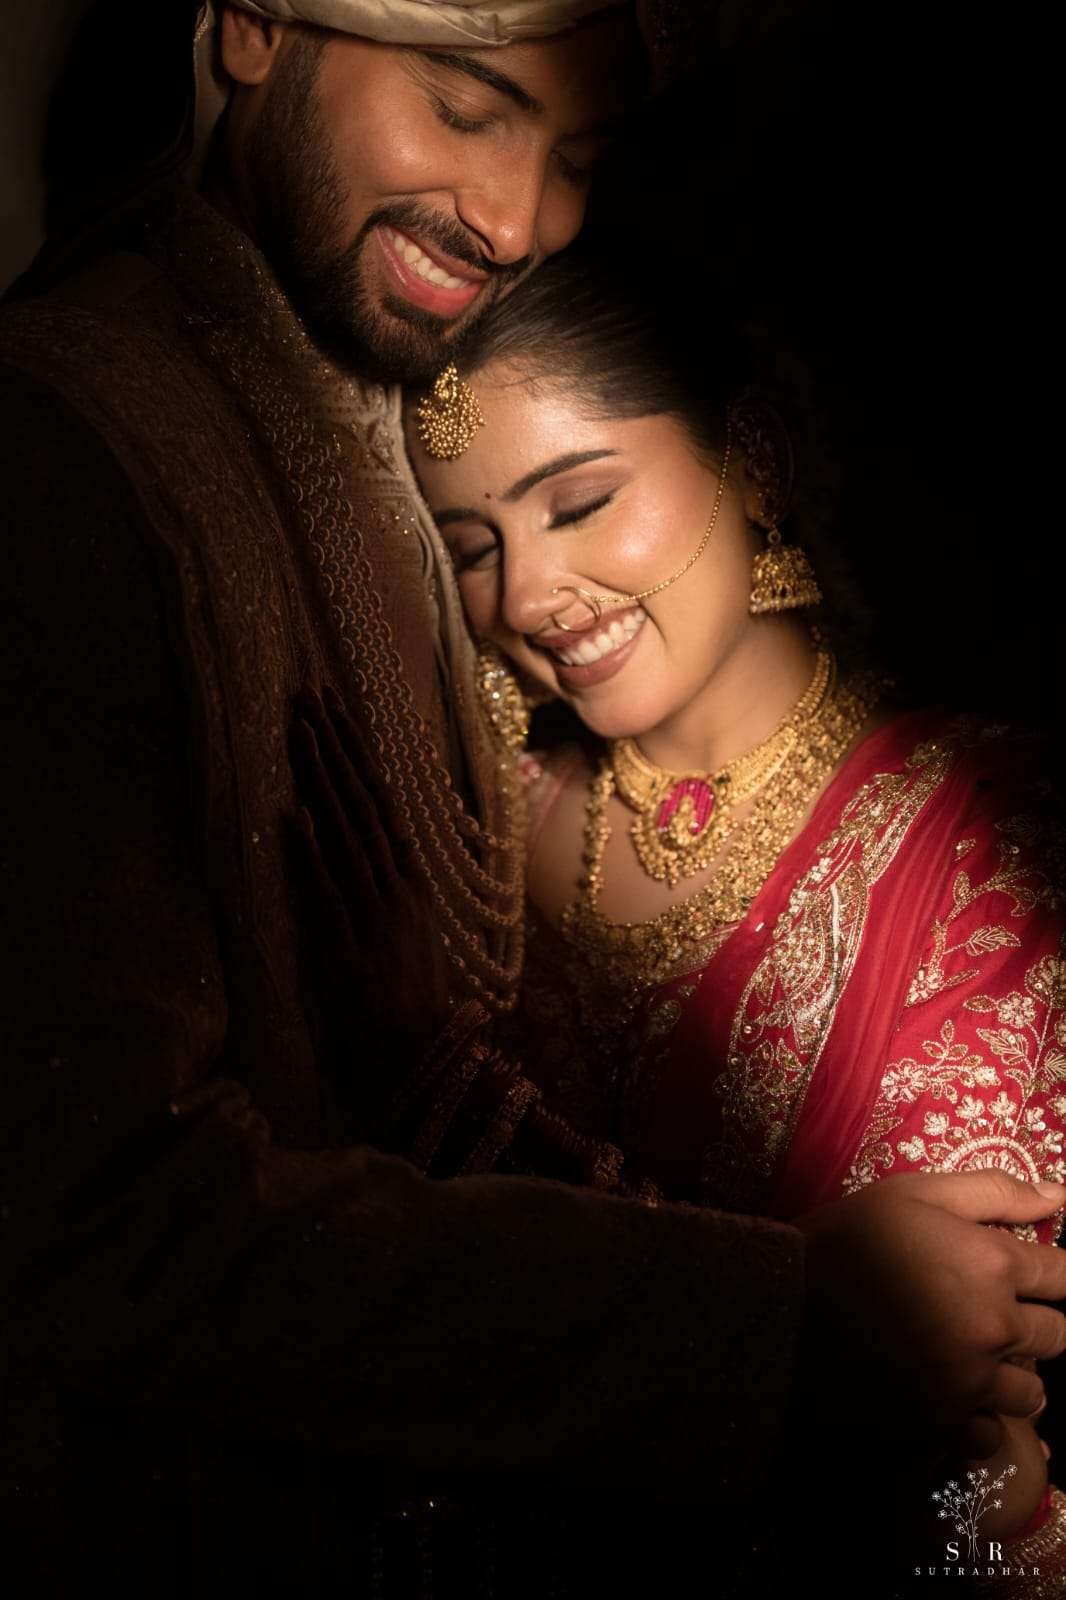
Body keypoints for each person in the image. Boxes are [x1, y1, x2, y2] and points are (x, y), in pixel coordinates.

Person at [2, 2, 1064, 1593]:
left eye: (573, 154)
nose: (516, 223)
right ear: (248, 24)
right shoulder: (90, 436)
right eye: (465, 103)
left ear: (747, 463)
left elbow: (963, 1463)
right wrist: (765, 1321)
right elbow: (96, 1220)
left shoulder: (982, 837)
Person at [406, 248, 1066, 1585]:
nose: (525, 595)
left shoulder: (995, 828)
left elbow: (959, 1427)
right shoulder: (463, 855)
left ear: (750, 462)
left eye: (580, 502)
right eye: (472, 548)